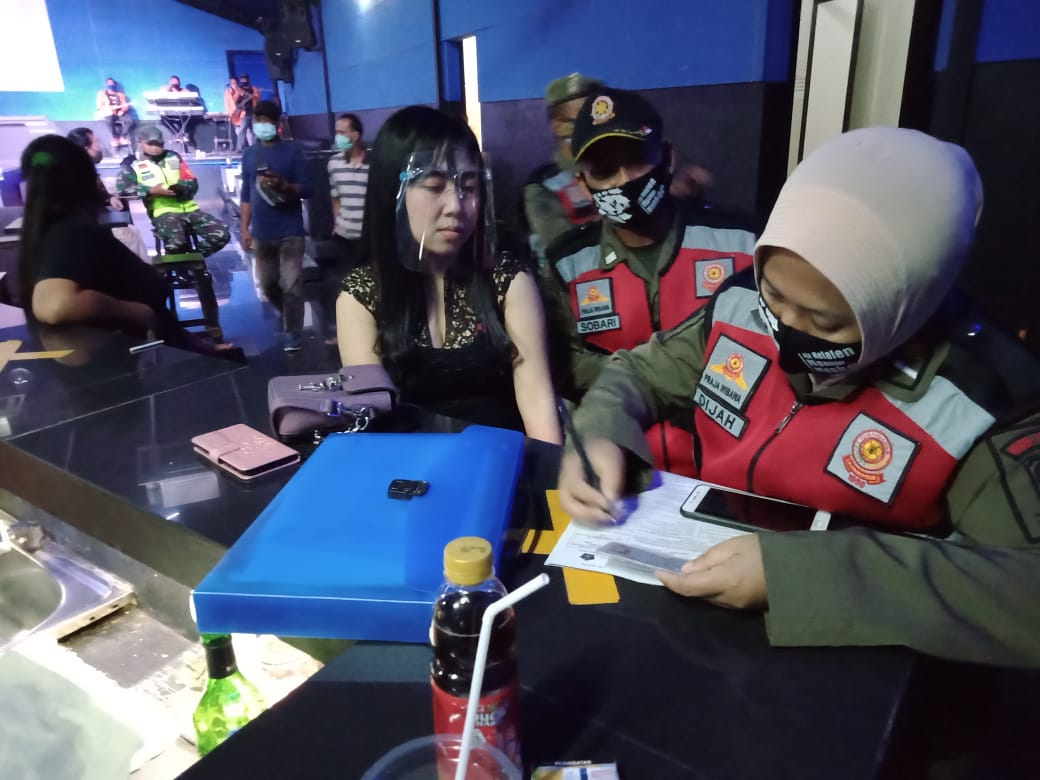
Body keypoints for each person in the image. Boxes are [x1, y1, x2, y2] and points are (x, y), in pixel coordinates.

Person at [558, 126, 1040, 668]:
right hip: (702, 608)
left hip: (857, 655)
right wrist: (600, 433)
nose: (784, 328)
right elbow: (639, 371)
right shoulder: (740, 302)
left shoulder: (983, 400)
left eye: (824, 321)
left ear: (909, 308)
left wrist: (808, 574)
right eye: (775, 294)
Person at [543, 87, 757, 476]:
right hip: (620, 467)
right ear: (584, 184)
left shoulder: (741, 242)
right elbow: (561, 362)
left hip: (727, 470)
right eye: (604, 170)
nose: (624, 180)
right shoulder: (567, 263)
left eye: (636, 160)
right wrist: (635, 381)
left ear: (667, 157)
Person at [335, 105, 561, 443]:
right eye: (434, 185)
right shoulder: (362, 294)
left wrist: (550, 470)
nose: (456, 206)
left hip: (506, 462)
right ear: (392, 190)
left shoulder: (506, 278)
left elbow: (537, 400)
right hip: (411, 467)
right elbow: (375, 423)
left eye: (469, 187)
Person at [17, 135, 234, 358]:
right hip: (118, 366)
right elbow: (54, 305)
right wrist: (136, 313)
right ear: (84, 179)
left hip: (148, 353)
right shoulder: (71, 234)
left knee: (218, 234)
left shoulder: (50, 232)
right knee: (176, 243)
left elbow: (191, 182)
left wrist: (193, 344)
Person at [239, 100, 312, 352]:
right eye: (257, 120)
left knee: (292, 284)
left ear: (277, 123)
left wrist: (284, 186)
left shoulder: (293, 152)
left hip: (290, 230)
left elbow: (308, 189)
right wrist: (244, 228)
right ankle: (287, 313)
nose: (262, 124)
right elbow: (246, 194)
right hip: (262, 232)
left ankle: (293, 333)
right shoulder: (249, 155)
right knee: (268, 284)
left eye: (267, 120)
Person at [522, 73, 605, 264]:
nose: (595, 126)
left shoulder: (617, 170)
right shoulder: (543, 188)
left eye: (599, 117)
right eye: (584, 119)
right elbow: (569, 253)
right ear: (558, 126)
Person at [116, 126, 231, 257]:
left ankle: (192, 259)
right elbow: (124, 190)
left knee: (221, 234)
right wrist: (151, 190)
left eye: (159, 144)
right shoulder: (131, 164)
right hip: (163, 213)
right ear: (140, 142)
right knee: (176, 245)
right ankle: (180, 264)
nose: (156, 148)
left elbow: (191, 180)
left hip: (190, 209)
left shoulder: (172, 157)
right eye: (151, 144)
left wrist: (181, 187)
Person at [66, 127, 150, 262]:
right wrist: (112, 227)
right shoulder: (76, 175)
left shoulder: (85, 169)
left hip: (97, 222)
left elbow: (97, 195)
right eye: (96, 143)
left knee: (133, 231)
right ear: (86, 149)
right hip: (89, 229)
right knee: (130, 237)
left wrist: (109, 198)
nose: (100, 147)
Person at [324, 112, 369, 345]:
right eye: (336, 132)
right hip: (343, 236)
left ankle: (374, 333)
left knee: (372, 286)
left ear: (356, 135)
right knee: (345, 288)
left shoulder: (374, 164)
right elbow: (335, 196)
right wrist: (337, 221)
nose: (338, 136)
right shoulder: (334, 164)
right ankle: (345, 334)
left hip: (369, 238)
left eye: (342, 132)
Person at [95, 77, 132, 149]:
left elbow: (125, 104)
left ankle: (122, 136)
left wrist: (122, 110)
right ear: (106, 84)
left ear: (114, 84)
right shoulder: (101, 94)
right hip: (109, 112)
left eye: (112, 83)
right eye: (108, 83)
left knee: (129, 120)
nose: (110, 85)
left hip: (119, 112)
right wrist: (109, 108)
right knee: (108, 120)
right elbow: (99, 106)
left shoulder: (120, 94)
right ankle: (115, 138)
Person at [235, 73, 260, 150]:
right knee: (242, 131)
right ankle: (239, 148)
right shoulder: (239, 90)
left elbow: (257, 98)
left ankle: (254, 147)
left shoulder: (253, 89)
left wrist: (250, 96)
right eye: (242, 79)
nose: (243, 81)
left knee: (254, 132)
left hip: (253, 113)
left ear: (248, 80)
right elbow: (236, 100)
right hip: (244, 114)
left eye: (244, 79)